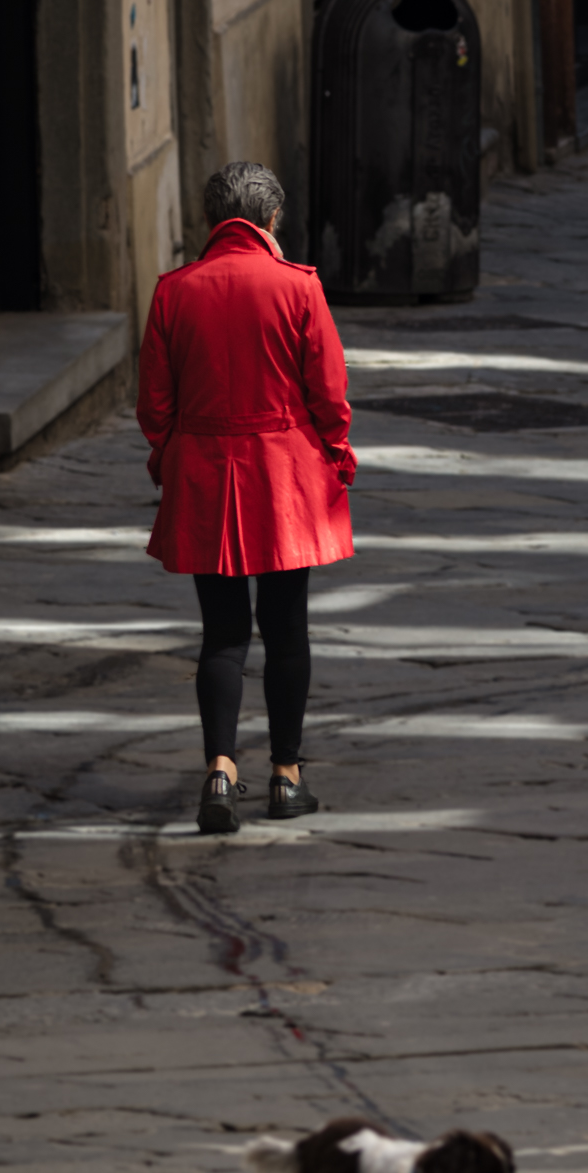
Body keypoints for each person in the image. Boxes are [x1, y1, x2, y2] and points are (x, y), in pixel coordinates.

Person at [137, 162, 356, 833]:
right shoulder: (297, 286)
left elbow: (154, 403)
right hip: (284, 473)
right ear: (271, 221)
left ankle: (220, 770)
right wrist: (338, 458)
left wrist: (169, 457)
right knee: (287, 628)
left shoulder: (175, 291)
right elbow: (327, 392)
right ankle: (286, 777)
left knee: (222, 633)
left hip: (206, 470)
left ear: (210, 220)